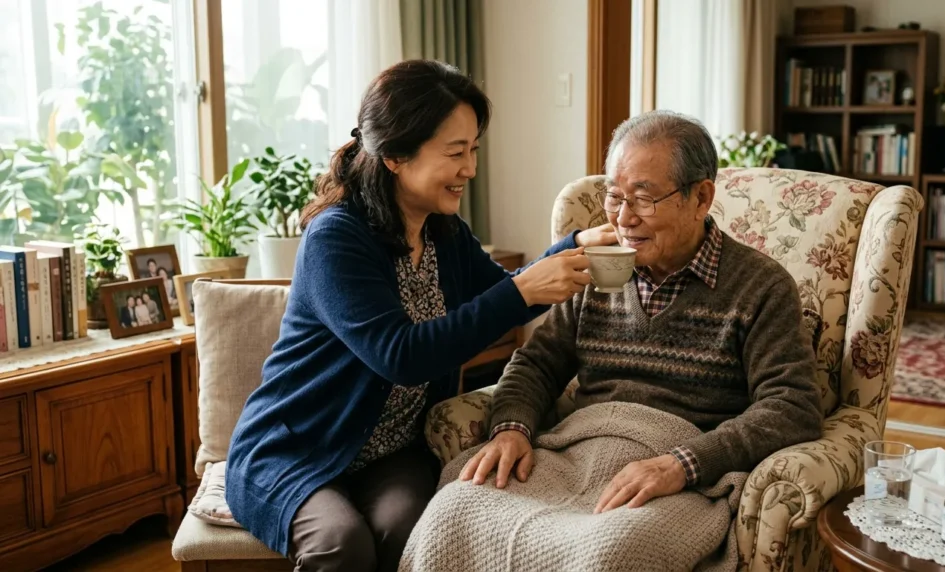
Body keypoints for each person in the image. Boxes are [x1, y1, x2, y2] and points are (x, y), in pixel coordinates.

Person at [224, 59, 617, 572]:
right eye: (456, 153)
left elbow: (504, 295)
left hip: (390, 455)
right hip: (294, 450)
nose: (470, 169)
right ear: (394, 155)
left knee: (415, 531)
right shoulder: (337, 240)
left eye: (473, 149)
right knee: (341, 544)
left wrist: (576, 245)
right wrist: (521, 290)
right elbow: (401, 355)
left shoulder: (443, 232)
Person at [420, 111, 823, 566]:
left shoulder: (760, 286)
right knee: (452, 511)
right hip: (576, 454)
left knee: (611, 554)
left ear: (701, 197)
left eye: (643, 199)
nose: (624, 218)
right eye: (614, 197)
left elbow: (792, 407)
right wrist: (511, 427)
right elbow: (537, 363)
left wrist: (682, 464)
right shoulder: (598, 270)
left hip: (678, 475)